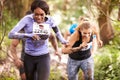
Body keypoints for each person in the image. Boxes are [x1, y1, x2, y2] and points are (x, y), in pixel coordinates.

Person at [8, 0, 67, 80]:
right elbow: (11, 34)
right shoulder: (27, 20)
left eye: (42, 14)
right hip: (29, 57)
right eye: (36, 14)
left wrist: (63, 42)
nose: (39, 17)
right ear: (33, 12)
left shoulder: (50, 21)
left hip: (43, 56)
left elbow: (57, 33)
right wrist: (29, 35)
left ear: (46, 13)